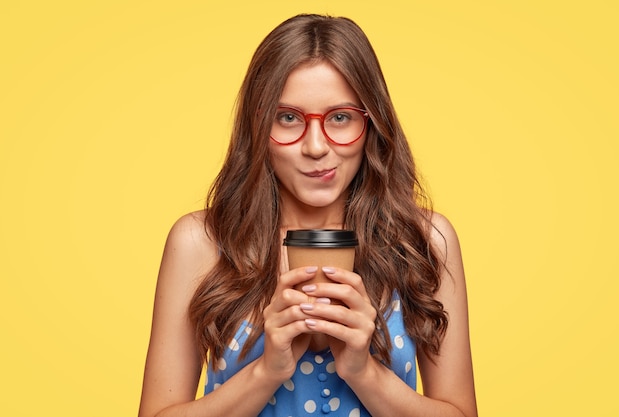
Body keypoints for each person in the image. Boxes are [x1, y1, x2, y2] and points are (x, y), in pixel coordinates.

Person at [139, 13, 477, 417]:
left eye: (340, 117)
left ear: (371, 123)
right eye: (288, 118)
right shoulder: (201, 243)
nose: (316, 147)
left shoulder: (424, 240)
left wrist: (363, 372)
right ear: (257, 125)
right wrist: (267, 371)